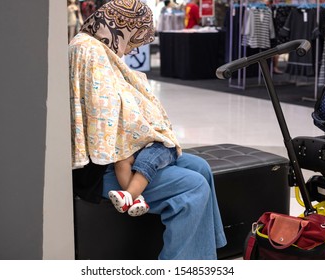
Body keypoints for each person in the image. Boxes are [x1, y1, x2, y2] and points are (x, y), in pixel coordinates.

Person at [69, 0, 226, 259]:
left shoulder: (96, 47)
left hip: (121, 152)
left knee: (201, 168)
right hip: (102, 165)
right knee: (193, 185)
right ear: (123, 26)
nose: (132, 49)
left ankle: (206, 252)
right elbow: (105, 119)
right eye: (135, 39)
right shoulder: (90, 51)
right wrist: (148, 130)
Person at [109, 142, 178, 217]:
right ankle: (137, 199)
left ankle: (129, 196)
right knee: (121, 161)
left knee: (147, 159)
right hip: (136, 145)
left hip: (162, 145)